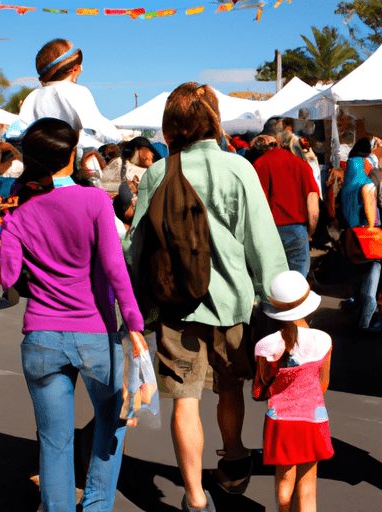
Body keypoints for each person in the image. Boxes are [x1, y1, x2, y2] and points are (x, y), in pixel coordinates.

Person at [131, 82, 288, 512]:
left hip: (176, 307)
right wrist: (285, 306)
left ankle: (195, 497)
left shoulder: (158, 173)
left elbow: (136, 248)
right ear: (213, 121)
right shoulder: (239, 169)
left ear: (172, 125)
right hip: (232, 303)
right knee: (229, 386)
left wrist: (132, 309)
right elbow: (263, 245)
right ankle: (234, 458)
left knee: (185, 399)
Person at [0, 117, 146, 512]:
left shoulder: (18, 216)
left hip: (42, 336)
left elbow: (8, 277)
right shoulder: (95, 200)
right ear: (70, 155)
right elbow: (116, 268)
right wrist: (134, 324)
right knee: (110, 422)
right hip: (96, 332)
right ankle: (97, 504)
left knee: (53, 441)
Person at [254, 270, 333, 512]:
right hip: (313, 417)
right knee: (308, 486)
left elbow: (261, 388)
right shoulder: (324, 340)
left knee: (284, 484)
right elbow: (323, 383)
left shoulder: (266, 345)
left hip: (281, 421)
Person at [18, 38, 122, 146]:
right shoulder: (77, 92)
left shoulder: (32, 96)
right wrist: (119, 140)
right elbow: (101, 130)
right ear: (75, 70)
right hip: (68, 158)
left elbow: (20, 130)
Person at [251, 134, 320, 278]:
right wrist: (310, 232)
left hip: (271, 231)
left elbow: (257, 202)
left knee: (272, 283)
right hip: (297, 231)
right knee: (297, 284)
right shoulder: (302, 165)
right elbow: (312, 203)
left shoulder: (260, 164)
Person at [341, 138, 382, 332]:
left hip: (351, 233)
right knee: (373, 274)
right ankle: (367, 322)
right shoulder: (366, 184)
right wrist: (371, 228)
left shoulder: (349, 182)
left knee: (359, 275)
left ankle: (360, 313)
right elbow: (370, 201)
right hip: (366, 235)